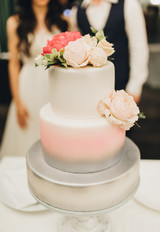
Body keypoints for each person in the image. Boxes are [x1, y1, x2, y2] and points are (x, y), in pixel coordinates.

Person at [0, 0, 68, 158]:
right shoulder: (15, 22)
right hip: (28, 82)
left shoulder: (63, 22)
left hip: (54, 83)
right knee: (27, 130)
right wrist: (17, 100)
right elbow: (14, 64)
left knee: (54, 130)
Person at [70, 0, 149, 104]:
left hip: (122, 85)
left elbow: (138, 46)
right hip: (88, 87)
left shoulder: (129, 4)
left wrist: (135, 86)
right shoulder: (77, 10)